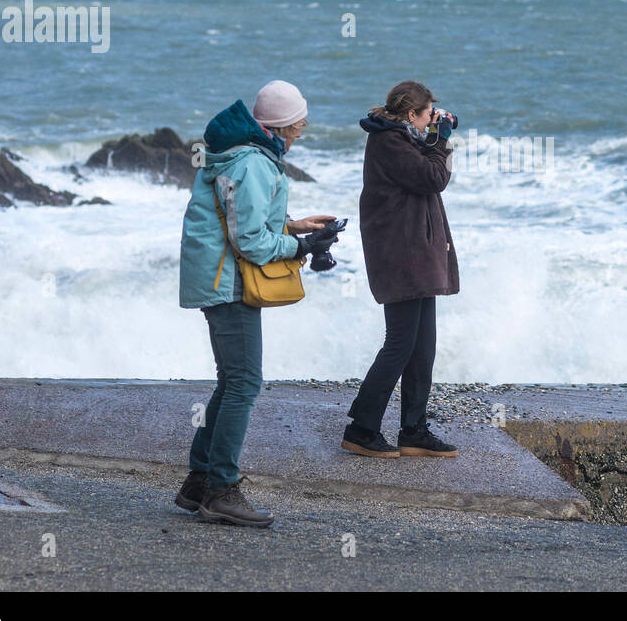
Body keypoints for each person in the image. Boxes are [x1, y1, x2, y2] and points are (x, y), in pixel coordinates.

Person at [176, 80, 341, 526]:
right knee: (244, 382)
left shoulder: (245, 154)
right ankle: (221, 490)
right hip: (227, 281)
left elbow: (242, 219)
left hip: (219, 276)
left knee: (231, 381)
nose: (303, 130)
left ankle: (200, 482)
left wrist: (294, 225)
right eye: (299, 123)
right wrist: (301, 247)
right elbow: (248, 240)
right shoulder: (253, 162)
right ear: (283, 124)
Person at [343, 80, 460, 458]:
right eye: (428, 114)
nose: (431, 121)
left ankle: (414, 429)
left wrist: (436, 135)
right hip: (401, 256)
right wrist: (442, 139)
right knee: (400, 344)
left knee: (422, 347)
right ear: (411, 114)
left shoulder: (402, 136)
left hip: (416, 254)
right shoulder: (389, 142)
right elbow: (433, 177)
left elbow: (424, 164)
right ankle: (361, 428)